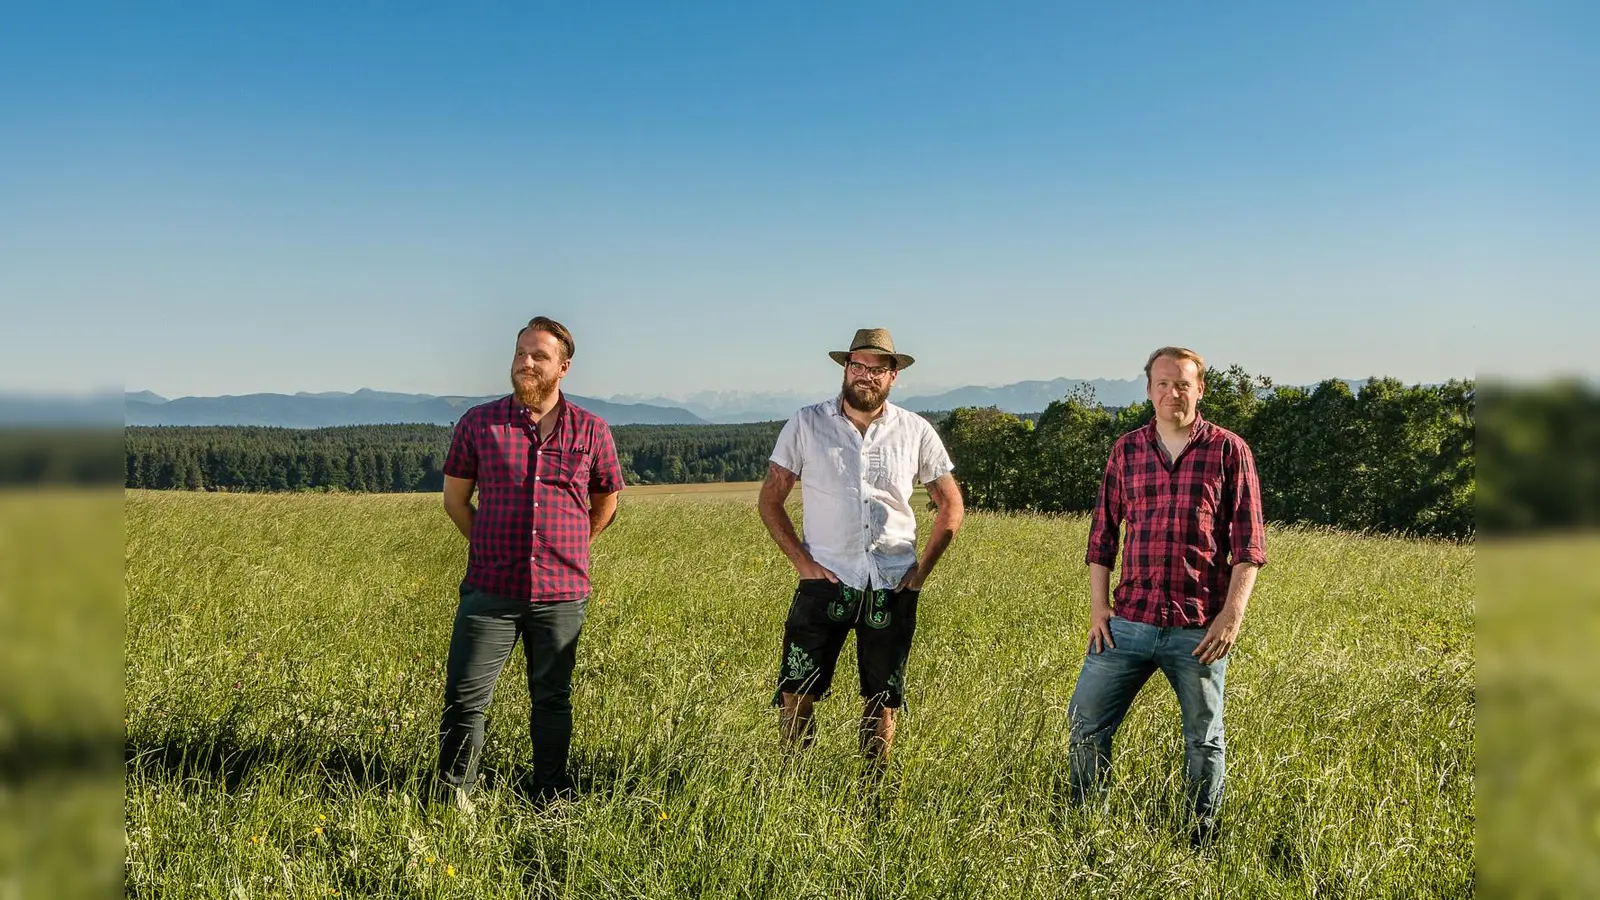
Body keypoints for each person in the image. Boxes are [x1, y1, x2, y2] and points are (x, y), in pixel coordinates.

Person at [1068, 346, 1266, 848]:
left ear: (1200, 389)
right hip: (1127, 621)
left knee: (1204, 741)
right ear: (1148, 389)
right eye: (1162, 383)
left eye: (1182, 383)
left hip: (1198, 627)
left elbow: (1248, 544)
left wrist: (1232, 616)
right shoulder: (1127, 450)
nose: (1171, 392)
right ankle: (1088, 829)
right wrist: (1098, 606)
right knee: (1086, 725)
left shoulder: (1228, 451)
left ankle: (1198, 841)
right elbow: (1102, 537)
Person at [434, 316, 624, 809]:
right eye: (520, 352)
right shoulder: (479, 423)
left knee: (553, 699)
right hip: (490, 590)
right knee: (465, 699)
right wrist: (489, 549)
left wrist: (573, 547)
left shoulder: (592, 430)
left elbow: (605, 501)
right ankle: (455, 798)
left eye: (538, 355)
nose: (525, 363)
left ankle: (550, 795)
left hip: (562, 592)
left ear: (563, 367)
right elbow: (456, 500)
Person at [759, 328, 965, 765]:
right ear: (845, 369)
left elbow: (951, 506)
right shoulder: (806, 422)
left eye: (877, 369)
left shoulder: (916, 431)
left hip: (892, 584)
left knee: (883, 699)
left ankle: (874, 795)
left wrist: (921, 571)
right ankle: (792, 786)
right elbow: (770, 499)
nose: (865, 376)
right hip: (825, 580)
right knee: (797, 692)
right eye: (857, 366)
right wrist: (803, 563)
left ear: (894, 376)